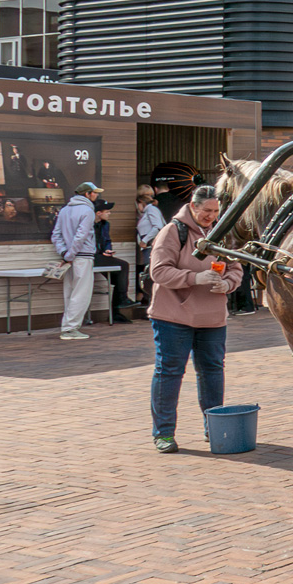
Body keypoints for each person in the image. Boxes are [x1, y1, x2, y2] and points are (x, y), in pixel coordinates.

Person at [147, 185, 243, 453]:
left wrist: (229, 284)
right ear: (193, 206)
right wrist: (194, 278)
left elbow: (236, 267)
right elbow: (158, 271)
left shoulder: (221, 234)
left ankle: (212, 427)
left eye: (215, 211)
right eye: (206, 211)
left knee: (212, 372)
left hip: (212, 318)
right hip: (173, 316)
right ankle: (163, 434)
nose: (211, 216)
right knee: (169, 373)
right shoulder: (172, 232)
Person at [52, 181, 102, 340]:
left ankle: (67, 327)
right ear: (87, 194)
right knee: (81, 294)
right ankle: (70, 329)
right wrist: (70, 254)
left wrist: (64, 253)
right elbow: (81, 235)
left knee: (69, 293)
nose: (96, 195)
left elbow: (56, 235)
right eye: (94, 192)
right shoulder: (88, 210)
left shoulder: (65, 210)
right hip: (82, 257)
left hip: (69, 258)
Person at [92, 198, 136, 323]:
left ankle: (115, 313)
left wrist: (108, 250)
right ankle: (122, 299)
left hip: (101, 256)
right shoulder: (89, 224)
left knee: (118, 280)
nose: (109, 213)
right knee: (124, 265)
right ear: (98, 213)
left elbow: (107, 241)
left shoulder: (105, 224)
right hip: (90, 257)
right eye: (107, 211)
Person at [135, 185, 165, 312]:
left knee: (151, 274)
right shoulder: (150, 211)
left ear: (141, 202)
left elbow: (157, 227)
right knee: (149, 274)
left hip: (151, 246)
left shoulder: (151, 210)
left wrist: (144, 240)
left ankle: (155, 304)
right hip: (148, 246)